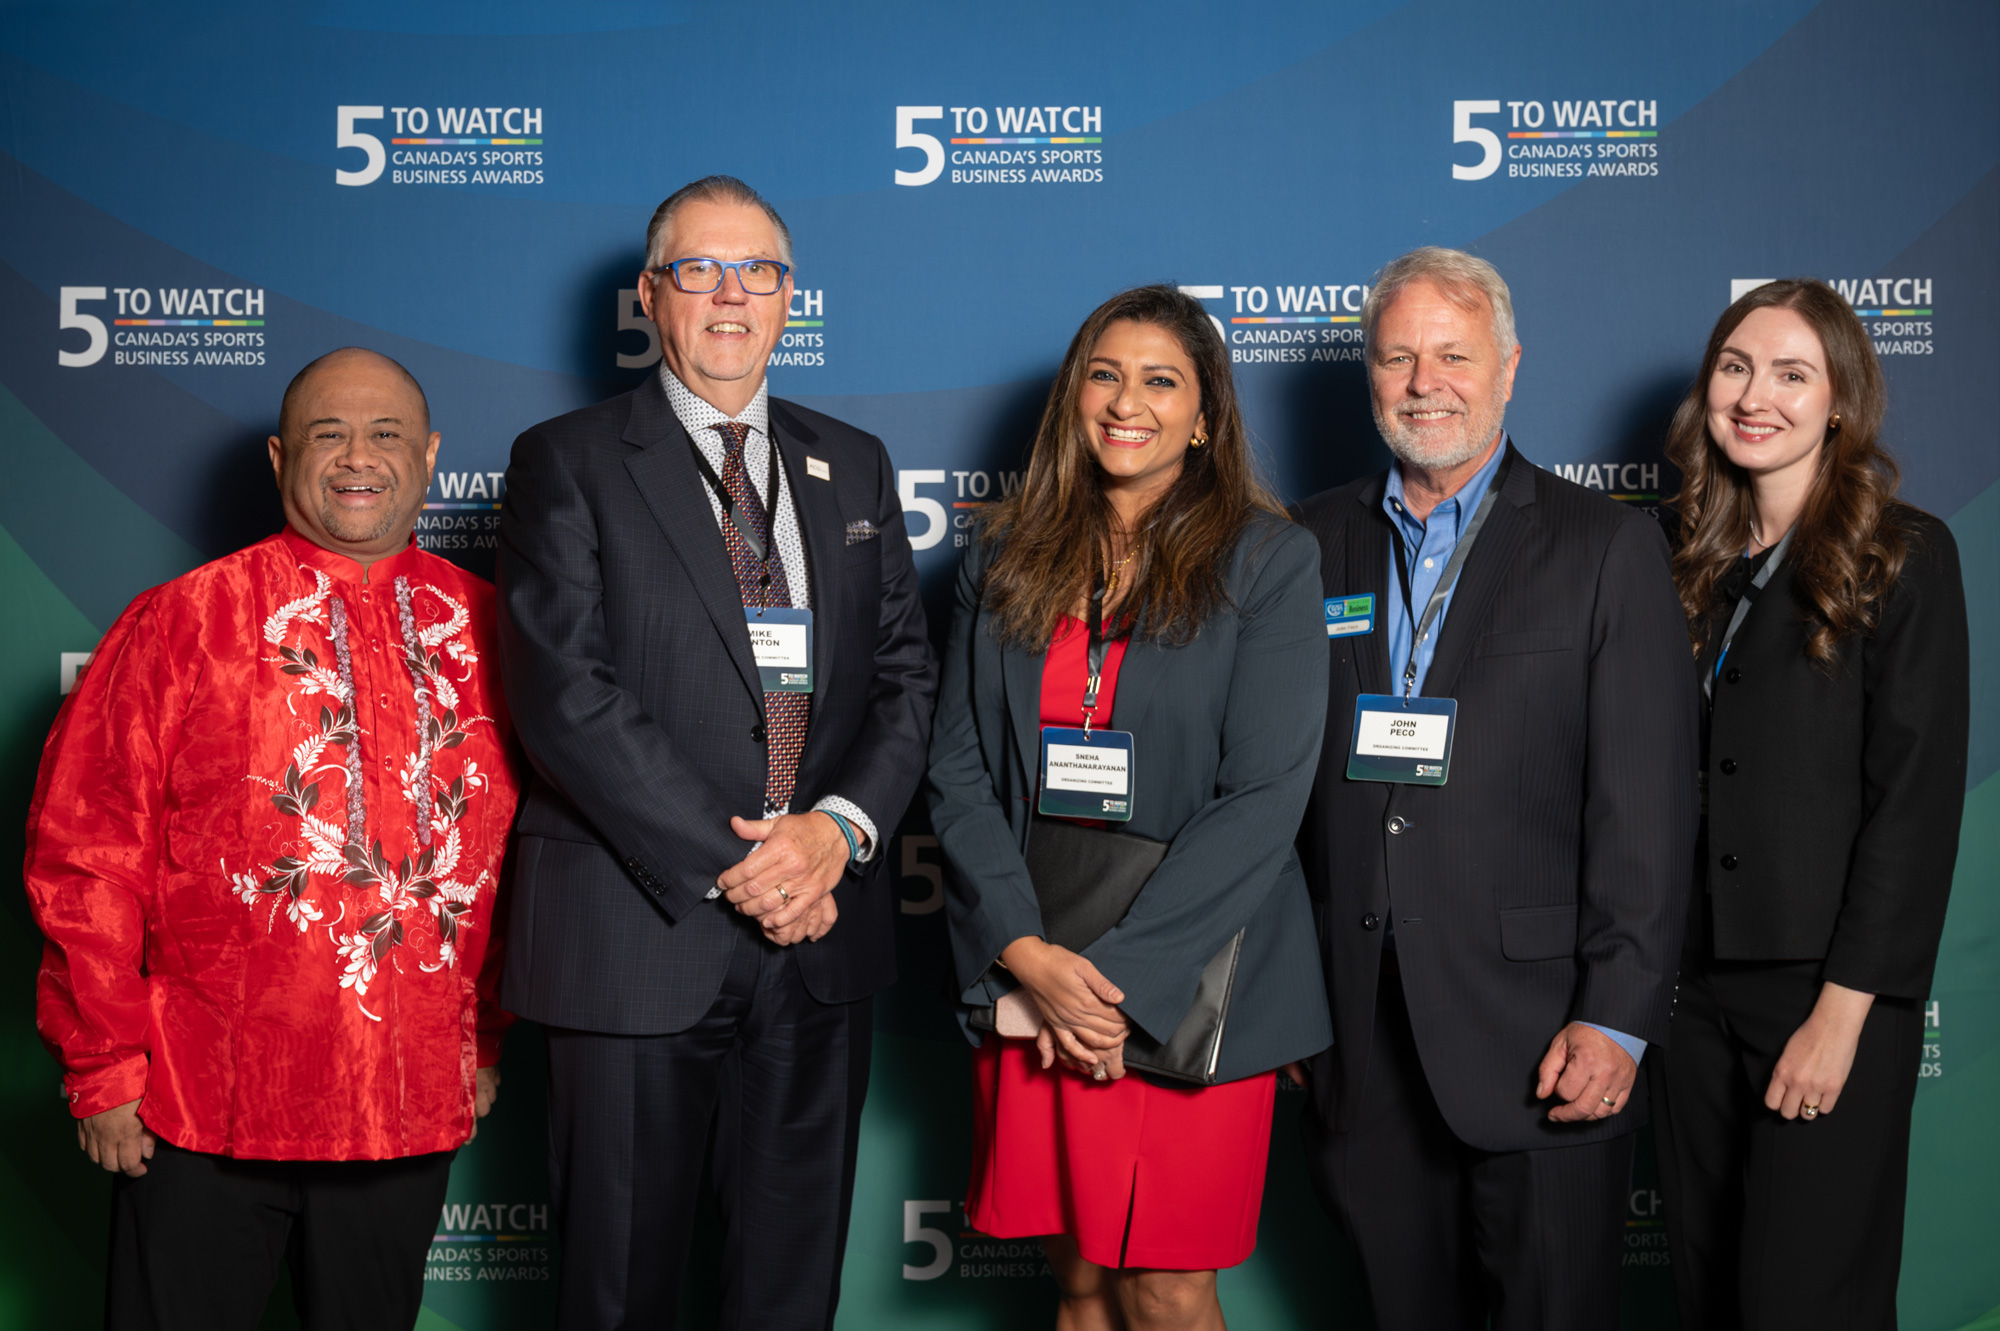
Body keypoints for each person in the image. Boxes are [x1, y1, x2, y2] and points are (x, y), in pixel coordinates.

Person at [495, 174, 937, 1330]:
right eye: (700, 269)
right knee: (618, 1290)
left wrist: (832, 837)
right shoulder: (567, 458)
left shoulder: (856, 461)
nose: (731, 295)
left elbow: (903, 679)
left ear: (792, 296)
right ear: (651, 295)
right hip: (640, 933)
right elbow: (564, 692)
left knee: (788, 1292)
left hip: (818, 945)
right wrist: (746, 863)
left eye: (759, 271)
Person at [25, 348, 519, 1330]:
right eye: (328, 432)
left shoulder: (495, 629)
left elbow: (518, 855)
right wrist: (104, 1063)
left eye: (384, 433)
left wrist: (486, 1029)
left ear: (427, 457)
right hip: (200, 1105)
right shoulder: (181, 621)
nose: (357, 455)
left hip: (405, 1103)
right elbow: (86, 852)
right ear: (278, 453)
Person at [1292, 247, 1699, 1330]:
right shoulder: (1302, 541)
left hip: (1543, 1038)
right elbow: (1273, 792)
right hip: (1357, 1043)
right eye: (1395, 357)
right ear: (1367, 375)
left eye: (1451, 354)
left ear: (1508, 367)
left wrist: (1617, 1016)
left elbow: (1648, 807)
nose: (1423, 381)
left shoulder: (1604, 545)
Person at [927, 285, 1332, 1331]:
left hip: (1192, 966)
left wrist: (1112, 986)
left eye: (1160, 379)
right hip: (1035, 946)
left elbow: (1263, 794)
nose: (1126, 400)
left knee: (1165, 1284)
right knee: (1075, 1278)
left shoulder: (1268, 560)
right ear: (1073, 397)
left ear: (1203, 418)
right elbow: (959, 773)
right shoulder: (999, 560)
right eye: (1104, 374)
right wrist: (1022, 950)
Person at [1648, 278, 1969, 1327]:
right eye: (1734, 366)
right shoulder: (1679, 555)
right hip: (1688, 987)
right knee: (1705, 1288)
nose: (1755, 395)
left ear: (1838, 399)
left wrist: (1844, 1012)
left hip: (1821, 993)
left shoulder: (1905, 554)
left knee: (1803, 1301)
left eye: (1791, 373)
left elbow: (1912, 807)